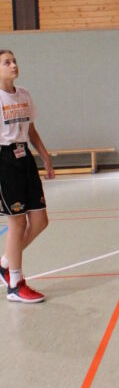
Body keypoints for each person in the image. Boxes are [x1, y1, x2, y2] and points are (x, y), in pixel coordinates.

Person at [0, 50, 54, 303]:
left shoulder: (24, 94)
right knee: (17, 223)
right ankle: (15, 284)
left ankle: (5, 262)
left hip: (25, 160)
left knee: (40, 221)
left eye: (14, 61)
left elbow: (31, 131)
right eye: (6, 62)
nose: (13, 65)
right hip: (4, 160)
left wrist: (45, 156)